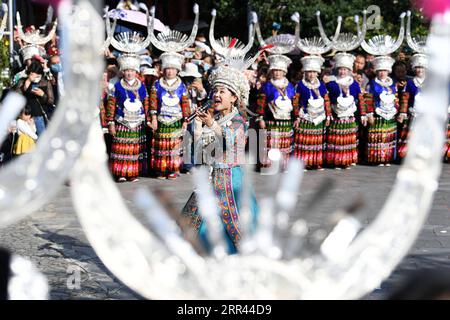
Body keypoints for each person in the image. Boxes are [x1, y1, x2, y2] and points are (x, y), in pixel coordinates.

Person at [181, 63, 259, 254]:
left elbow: (228, 140)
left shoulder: (239, 121)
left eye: (222, 91)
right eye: (215, 90)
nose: (216, 95)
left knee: (232, 222)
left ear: (233, 97)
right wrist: (198, 126)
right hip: (209, 178)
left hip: (231, 180)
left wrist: (211, 124)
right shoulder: (212, 117)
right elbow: (200, 152)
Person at [107, 33, 151, 182]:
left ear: (136, 71)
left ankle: (132, 173)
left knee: (134, 148)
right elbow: (111, 105)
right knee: (121, 148)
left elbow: (146, 103)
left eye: (132, 70)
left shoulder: (142, 86)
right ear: (122, 71)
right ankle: (121, 173)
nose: (129, 73)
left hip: (138, 122)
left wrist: (149, 119)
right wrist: (111, 122)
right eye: (126, 70)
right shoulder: (117, 86)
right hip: (122, 121)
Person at [149, 52, 190, 180]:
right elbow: (153, 102)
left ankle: (173, 168)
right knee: (161, 145)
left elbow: (185, 103)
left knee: (174, 145)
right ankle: (161, 169)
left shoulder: (181, 85)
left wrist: (185, 120)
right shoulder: (157, 84)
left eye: (173, 69)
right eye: (168, 69)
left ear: (177, 70)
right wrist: (154, 118)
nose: (170, 72)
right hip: (162, 119)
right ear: (163, 69)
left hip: (176, 120)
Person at [255, 54, 295, 170]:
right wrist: (261, 118)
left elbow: (295, 103)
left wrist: (296, 117)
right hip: (272, 119)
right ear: (271, 71)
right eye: (275, 70)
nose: (277, 73)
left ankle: (283, 163)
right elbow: (261, 103)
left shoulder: (290, 86)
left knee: (284, 142)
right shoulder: (267, 86)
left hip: (286, 120)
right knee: (272, 142)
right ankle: (270, 163)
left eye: (280, 70)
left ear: (284, 72)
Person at [326, 53, 365, 169]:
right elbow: (326, 99)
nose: (342, 72)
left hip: (349, 115)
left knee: (349, 139)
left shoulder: (354, 84)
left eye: (345, 69)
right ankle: (336, 160)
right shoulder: (332, 83)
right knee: (337, 139)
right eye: (340, 69)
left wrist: (363, 114)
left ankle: (347, 160)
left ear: (349, 70)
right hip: (337, 115)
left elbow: (361, 99)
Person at [293, 55, 331, 170]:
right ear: (305, 72)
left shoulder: (322, 86)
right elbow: (296, 101)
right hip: (305, 116)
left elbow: (327, 101)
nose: (311, 75)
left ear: (317, 73)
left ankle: (316, 162)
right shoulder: (300, 85)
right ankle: (303, 163)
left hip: (319, 117)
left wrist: (328, 116)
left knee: (317, 142)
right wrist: (296, 117)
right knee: (305, 142)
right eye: (309, 72)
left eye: (314, 72)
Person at [364, 55, 399, 166]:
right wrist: (369, 114)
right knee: (378, 137)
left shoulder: (392, 84)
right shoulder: (372, 84)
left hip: (390, 114)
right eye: (380, 71)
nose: (382, 73)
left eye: (384, 70)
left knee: (388, 137)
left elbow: (396, 98)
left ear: (388, 71)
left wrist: (397, 110)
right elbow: (368, 100)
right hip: (378, 114)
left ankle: (387, 158)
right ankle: (377, 158)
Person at [397, 54, 427, 160]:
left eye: (422, 67)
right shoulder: (410, 83)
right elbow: (405, 98)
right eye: (418, 67)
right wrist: (402, 112)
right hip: (413, 113)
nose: (420, 70)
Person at [13, 60, 54, 136]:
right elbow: (16, 97)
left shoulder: (45, 82)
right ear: (29, 73)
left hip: (40, 117)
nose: (36, 78)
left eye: (38, 76)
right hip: (26, 118)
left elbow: (51, 101)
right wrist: (28, 81)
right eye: (33, 75)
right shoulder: (22, 82)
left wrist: (42, 95)